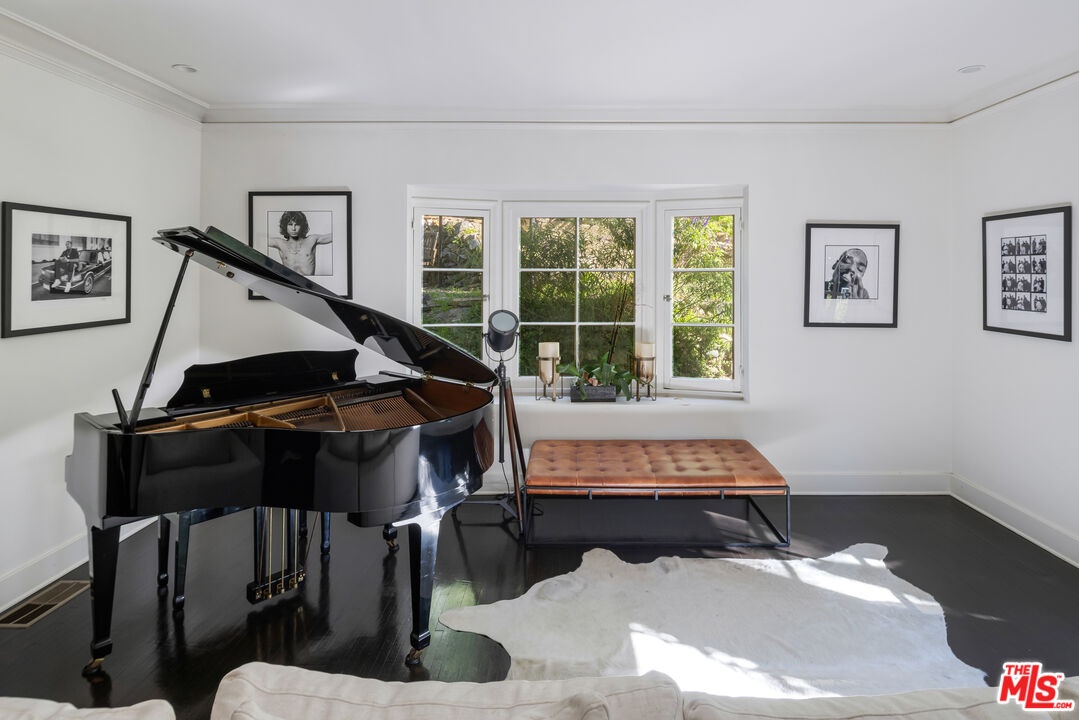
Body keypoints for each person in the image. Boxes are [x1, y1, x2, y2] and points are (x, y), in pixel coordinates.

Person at [267, 211, 332, 275]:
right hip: (289, 280)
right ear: (285, 226)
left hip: (308, 281)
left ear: (302, 226)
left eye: (297, 225)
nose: (293, 228)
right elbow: (261, 240)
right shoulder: (280, 243)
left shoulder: (311, 240)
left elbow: (333, 236)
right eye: (290, 224)